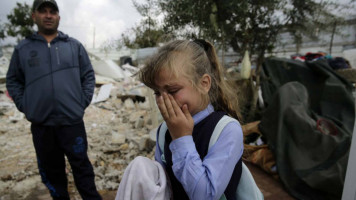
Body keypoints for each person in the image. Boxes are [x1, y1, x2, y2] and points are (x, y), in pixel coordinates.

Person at [116, 39, 244, 200]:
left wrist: (182, 139)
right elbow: (165, 186)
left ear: (204, 84)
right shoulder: (164, 130)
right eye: (157, 93)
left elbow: (204, 196)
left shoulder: (227, 130)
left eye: (173, 90)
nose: (164, 100)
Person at [6, 0, 101, 199]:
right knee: (52, 172)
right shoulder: (23, 49)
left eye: (53, 11)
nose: (48, 15)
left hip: (72, 122)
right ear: (34, 16)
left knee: (82, 169)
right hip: (42, 126)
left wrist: (81, 102)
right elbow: (13, 81)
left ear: (59, 17)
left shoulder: (74, 46)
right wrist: (27, 106)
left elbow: (88, 76)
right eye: (43, 12)